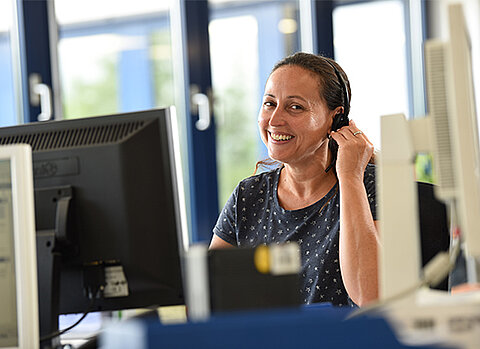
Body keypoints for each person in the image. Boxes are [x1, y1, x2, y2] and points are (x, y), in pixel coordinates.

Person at [209, 52, 379, 307]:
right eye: (269, 103)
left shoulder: (370, 185)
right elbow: (205, 295)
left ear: (336, 118)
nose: (275, 120)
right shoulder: (248, 195)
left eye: (295, 107)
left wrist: (350, 177)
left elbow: (370, 296)